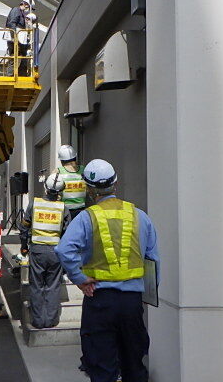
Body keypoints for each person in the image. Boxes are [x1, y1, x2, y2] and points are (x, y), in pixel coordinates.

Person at [55, 159, 160, 382]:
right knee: (134, 364)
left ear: (90, 189)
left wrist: (80, 279)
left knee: (102, 367)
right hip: (132, 303)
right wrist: (147, 294)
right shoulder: (139, 216)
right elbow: (152, 261)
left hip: (100, 300)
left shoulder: (86, 217)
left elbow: (64, 249)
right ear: (116, 184)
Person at [19, 173, 71, 329]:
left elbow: (24, 227)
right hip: (56, 253)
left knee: (37, 286)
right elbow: (67, 235)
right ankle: (50, 321)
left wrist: (24, 246)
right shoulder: (64, 208)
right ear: (61, 191)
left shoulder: (34, 205)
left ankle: (38, 321)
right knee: (53, 286)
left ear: (46, 188)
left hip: (37, 251)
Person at [5, 0, 36, 76]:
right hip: (15, 39)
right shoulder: (16, 10)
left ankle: (22, 75)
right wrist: (15, 38)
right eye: (29, 8)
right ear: (25, 5)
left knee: (23, 58)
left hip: (20, 39)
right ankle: (10, 77)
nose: (29, 10)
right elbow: (12, 24)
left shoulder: (22, 14)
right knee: (15, 57)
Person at [56, 145, 86, 219]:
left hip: (65, 212)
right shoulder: (84, 170)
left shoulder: (58, 171)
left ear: (61, 160)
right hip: (82, 211)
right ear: (75, 157)